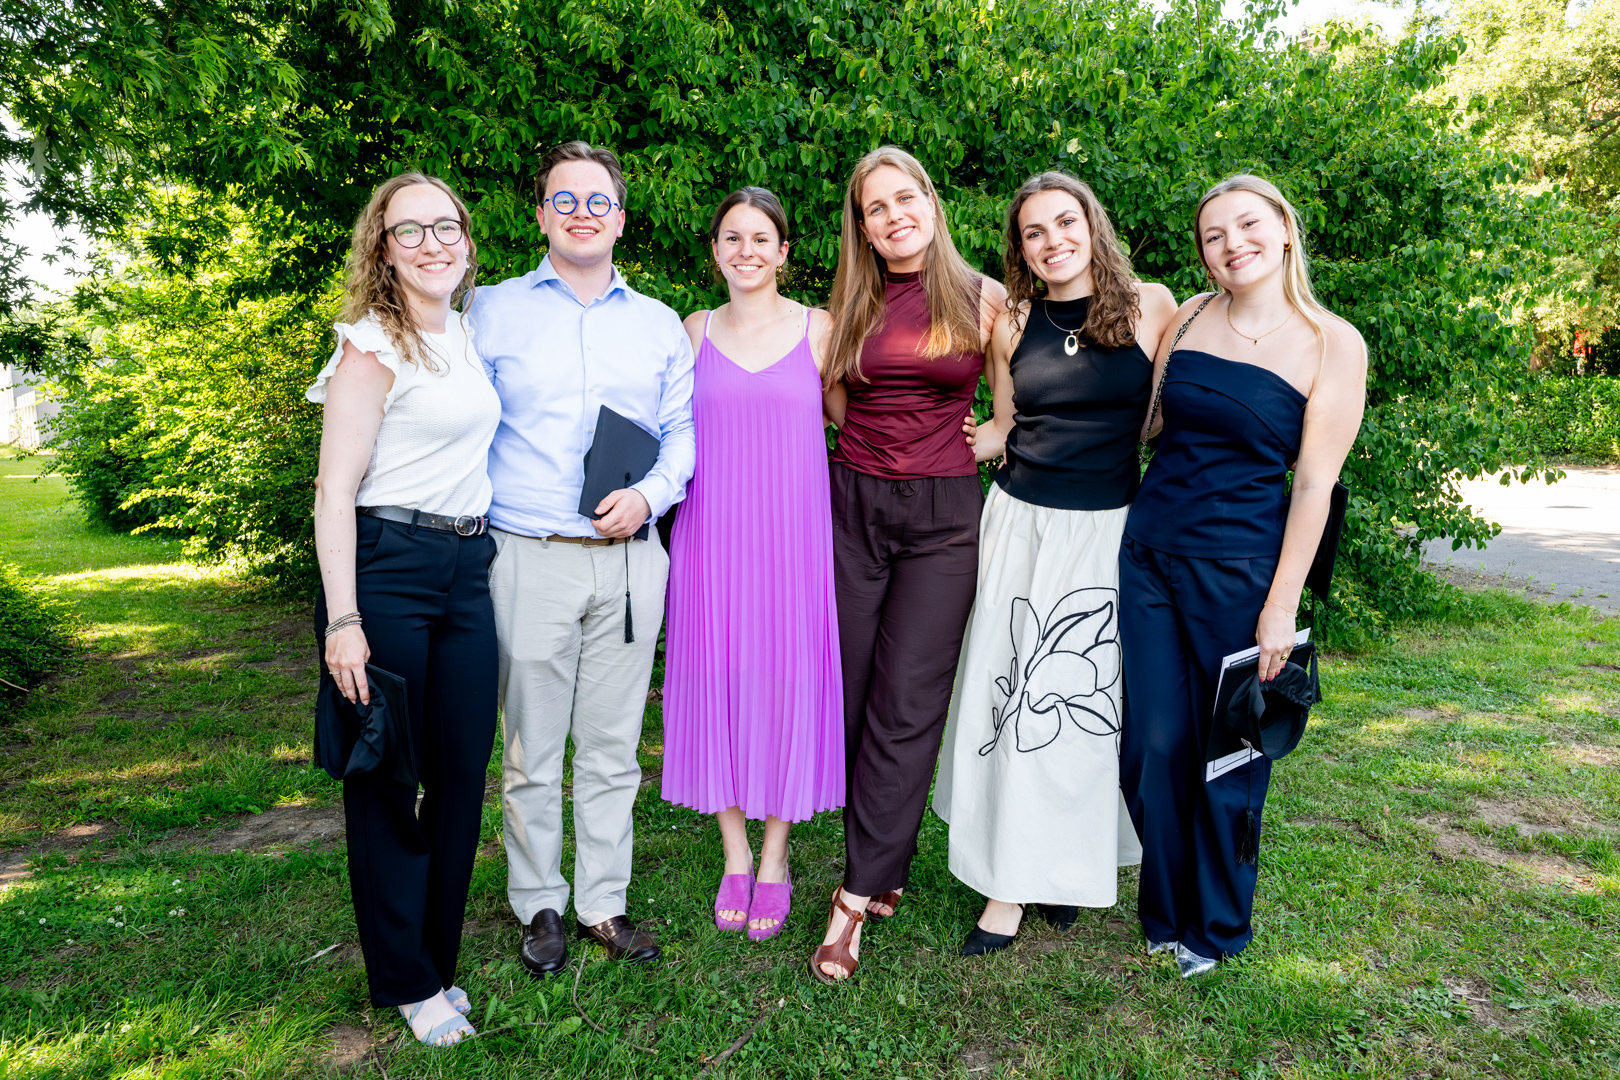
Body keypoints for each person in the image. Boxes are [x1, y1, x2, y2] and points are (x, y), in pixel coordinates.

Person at [1119, 174, 1366, 977]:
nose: (1233, 244)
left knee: (1229, 754)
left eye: (1248, 225)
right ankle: (1163, 910)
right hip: (1149, 556)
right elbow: (1148, 425)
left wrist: (1280, 608)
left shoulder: (1332, 342)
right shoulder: (1190, 315)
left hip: (1244, 573)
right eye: (1214, 235)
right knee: (1153, 745)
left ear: (1285, 229)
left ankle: (1215, 926)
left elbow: (1315, 485)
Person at [933, 172, 1176, 955]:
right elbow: (1007, 424)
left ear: (1092, 225)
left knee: (1084, 706)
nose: (1053, 241)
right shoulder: (1012, 320)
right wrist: (957, 441)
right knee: (1012, 703)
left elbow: (1165, 421)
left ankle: (1066, 866)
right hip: (1021, 527)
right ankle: (1006, 885)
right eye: (1034, 232)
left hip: (1106, 532)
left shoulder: (1153, 306)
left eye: (1065, 223)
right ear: (1021, 249)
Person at [468, 141, 695, 975]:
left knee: (611, 745)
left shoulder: (659, 323)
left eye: (598, 201)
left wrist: (652, 496)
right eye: (565, 201)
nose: (582, 214)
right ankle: (538, 904)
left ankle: (603, 902)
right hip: (529, 556)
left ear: (621, 219)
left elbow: (682, 431)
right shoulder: (490, 311)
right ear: (541, 215)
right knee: (531, 747)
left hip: (630, 559)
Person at [308, 173, 499, 1046]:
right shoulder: (370, 344)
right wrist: (343, 620)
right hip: (387, 568)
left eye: (445, 226)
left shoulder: (466, 334)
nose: (432, 243)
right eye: (409, 230)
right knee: (388, 780)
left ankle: (437, 964)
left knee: (460, 777)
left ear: (465, 239)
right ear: (383, 249)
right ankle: (408, 981)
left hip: (468, 569)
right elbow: (334, 491)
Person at [812, 146, 1006, 983]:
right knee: (852, 695)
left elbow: (1011, 408)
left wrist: (981, 440)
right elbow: (833, 396)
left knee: (909, 701)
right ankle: (886, 856)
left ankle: (853, 899)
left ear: (931, 201)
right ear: (862, 227)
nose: (894, 216)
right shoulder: (849, 300)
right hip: (852, 507)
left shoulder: (985, 297)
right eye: (876, 208)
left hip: (942, 521)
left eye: (905, 198)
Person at [661, 187, 844, 941]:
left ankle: (775, 855)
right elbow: (666, 429)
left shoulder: (819, 328)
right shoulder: (693, 330)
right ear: (715, 251)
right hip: (710, 536)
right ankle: (734, 852)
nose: (746, 251)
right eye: (732, 238)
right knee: (718, 680)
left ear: (783, 252)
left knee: (784, 683)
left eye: (761, 238)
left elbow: (856, 421)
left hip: (795, 539)